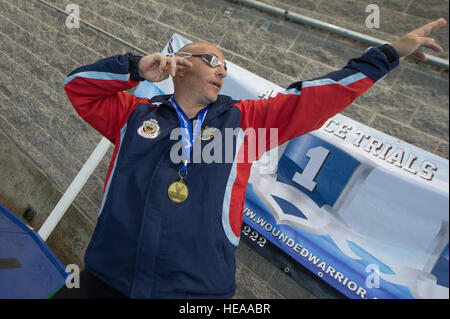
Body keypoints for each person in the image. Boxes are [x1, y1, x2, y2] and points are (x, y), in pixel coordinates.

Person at [52, 18, 446, 299]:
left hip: (198, 294)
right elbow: (77, 87)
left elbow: (317, 96)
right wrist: (135, 68)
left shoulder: (247, 122)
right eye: (213, 61)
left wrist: (389, 54)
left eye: (226, 67)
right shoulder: (134, 115)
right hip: (105, 281)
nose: (223, 71)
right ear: (181, 63)